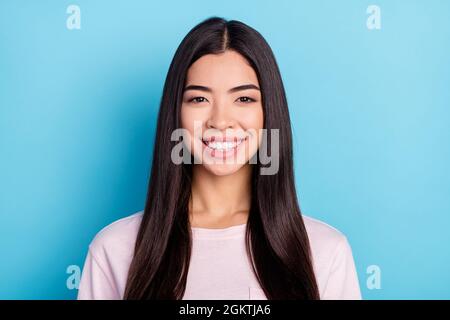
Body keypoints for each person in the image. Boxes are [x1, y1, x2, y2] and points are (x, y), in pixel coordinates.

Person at [77, 17, 361, 300]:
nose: (220, 121)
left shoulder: (325, 252)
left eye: (244, 99)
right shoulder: (114, 250)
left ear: (268, 113)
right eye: (199, 99)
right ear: (175, 114)